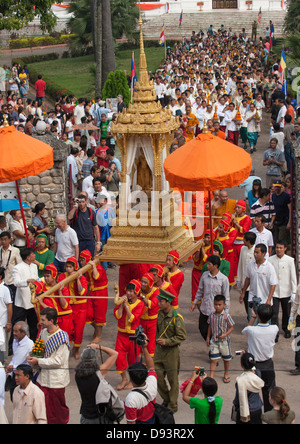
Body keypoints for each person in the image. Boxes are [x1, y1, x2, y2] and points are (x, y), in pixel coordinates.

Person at [27, 307, 70, 424]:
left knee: (56, 411)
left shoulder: (62, 338)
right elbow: (39, 349)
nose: (41, 322)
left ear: (51, 321)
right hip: (42, 378)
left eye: (43, 320)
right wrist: (32, 356)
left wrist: (38, 361)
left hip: (56, 381)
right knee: (41, 408)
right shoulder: (43, 332)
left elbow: (58, 361)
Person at [154, 288, 186, 413]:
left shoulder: (176, 318)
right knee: (157, 377)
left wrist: (167, 342)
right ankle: (166, 399)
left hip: (171, 352)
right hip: (159, 351)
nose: (159, 303)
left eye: (161, 301)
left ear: (168, 302)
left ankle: (172, 405)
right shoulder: (159, 314)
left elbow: (182, 336)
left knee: (173, 379)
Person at [242, 304, 279, 412]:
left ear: (258, 316)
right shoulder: (274, 328)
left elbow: (245, 330)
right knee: (269, 390)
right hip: (268, 364)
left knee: (252, 391)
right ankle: (269, 414)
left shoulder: (252, 330)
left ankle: (253, 413)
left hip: (254, 365)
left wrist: (252, 317)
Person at [75, 343, 118, 424]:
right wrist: (98, 347)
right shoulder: (99, 372)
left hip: (86, 415)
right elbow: (114, 354)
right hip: (100, 416)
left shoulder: (77, 373)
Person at [113, 279, 145, 390]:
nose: (129, 293)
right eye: (128, 291)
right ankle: (124, 379)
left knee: (133, 359)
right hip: (121, 334)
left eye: (132, 291)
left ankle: (132, 381)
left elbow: (132, 319)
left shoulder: (140, 304)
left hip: (133, 336)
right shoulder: (123, 301)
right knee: (119, 357)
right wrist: (122, 304)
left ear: (137, 292)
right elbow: (118, 315)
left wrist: (126, 306)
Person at [191, 255, 230, 342]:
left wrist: (226, 312)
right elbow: (200, 290)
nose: (207, 266)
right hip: (205, 309)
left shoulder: (223, 279)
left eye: (209, 264)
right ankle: (212, 343)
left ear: (215, 266)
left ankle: (214, 348)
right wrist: (195, 303)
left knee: (215, 331)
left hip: (216, 311)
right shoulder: (204, 276)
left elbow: (226, 296)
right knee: (202, 328)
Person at [58, 257, 88, 360]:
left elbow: (81, 292)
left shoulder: (82, 278)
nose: (68, 269)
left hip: (80, 307)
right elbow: (61, 288)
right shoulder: (62, 276)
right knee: (68, 329)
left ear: (75, 267)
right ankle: (66, 349)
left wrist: (77, 279)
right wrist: (69, 278)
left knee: (79, 330)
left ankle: (76, 350)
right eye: (67, 267)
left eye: (71, 267)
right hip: (67, 308)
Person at [34, 264, 73, 339]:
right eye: (44, 276)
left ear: (54, 275)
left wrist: (60, 291)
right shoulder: (43, 288)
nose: (46, 278)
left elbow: (64, 306)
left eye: (48, 276)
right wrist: (39, 320)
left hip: (64, 318)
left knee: (63, 341)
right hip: (49, 320)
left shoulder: (62, 288)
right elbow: (37, 306)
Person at [268, 240, 297, 339]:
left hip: (286, 291)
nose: (278, 250)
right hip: (274, 292)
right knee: (274, 313)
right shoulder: (270, 260)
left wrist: (294, 292)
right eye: (277, 248)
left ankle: (286, 329)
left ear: (285, 248)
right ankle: (275, 332)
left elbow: (293, 277)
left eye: (281, 248)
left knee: (286, 312)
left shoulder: (290, 260)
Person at [79, 250, 108, 344]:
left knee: (99, 315)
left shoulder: (98, 267)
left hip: (101, 293)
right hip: (91, 293)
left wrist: (94, 266)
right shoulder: (87, 269)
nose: (81, 262)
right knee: (88, 314)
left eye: (82, 260)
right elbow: (87, 283)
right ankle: (97, 329)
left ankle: (98, 336)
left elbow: (96, 277)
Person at [125, 340, 157, 424]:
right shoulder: (152, 381)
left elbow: (131, 423)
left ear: (131, 380)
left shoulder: (131, 399)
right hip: (152, 418)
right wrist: (144, 347)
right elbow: (151, 366)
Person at [240, 243, 277, 316]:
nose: (255, 254)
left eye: (257, 252)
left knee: (264, 323)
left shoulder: (269, 267)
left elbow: (273, 285)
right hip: (252, 298)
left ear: (263, 253)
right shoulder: (251, 264)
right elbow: (248, 279)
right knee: (251, 320)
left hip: (264, 300)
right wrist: (243, 292)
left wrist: (269, 299)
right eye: (254, 252)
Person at [11, 248, 39, 345]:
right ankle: (13, 345)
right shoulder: (17, 268)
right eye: (32, 254)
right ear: (28, 257)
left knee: (34, 325)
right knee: (17, 325)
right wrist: (27, 281)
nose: (34, 255)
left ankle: (33, 345)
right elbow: (16, 282)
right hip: (21, 302)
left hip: (33, 300)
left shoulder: (34, 266)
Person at [206, 295, 235, 383]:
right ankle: (211, 377)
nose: (217, 307)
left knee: (226, 359)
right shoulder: (211, 315)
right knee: (213, 359)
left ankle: (226, 374)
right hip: (214, 341)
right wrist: (208, 337)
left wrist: (225, 334)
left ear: (224, 305)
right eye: (216, 304)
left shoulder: (226, 316)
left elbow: (232, 327)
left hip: (224, 342)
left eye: (219, 305)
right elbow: (210, 326)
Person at [232, 353, 264, 424]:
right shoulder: (258, 374)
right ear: (254, 362)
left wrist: (235, 404)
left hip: (245, 410)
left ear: (241, 365)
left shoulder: (240, 381)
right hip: (257, 408)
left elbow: (238, 397)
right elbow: (254, 368)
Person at [6, 321, 34, 400]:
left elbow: (21, 361)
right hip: (15, 373)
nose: (13, 333)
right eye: (13, 331)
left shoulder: (29, 344)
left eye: (16, 331)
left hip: (24, 375)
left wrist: (11, 367)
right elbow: (15, 357)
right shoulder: (15, 341)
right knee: (13, 397)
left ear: (23, 333)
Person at [236, 232, 256, 319]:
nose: (242, 240)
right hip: (245, 282)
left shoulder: (256, 250)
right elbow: (240, 264)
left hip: (254, 284)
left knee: (253, 304)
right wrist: (239, 281)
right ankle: (249, 318)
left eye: (244, 239)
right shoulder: (243, 249)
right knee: (246, 302)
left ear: (248, 241)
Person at [139, 273, 159, 358]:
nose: (143, 284)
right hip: (141, 320)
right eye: (142, 281)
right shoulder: (139, 289)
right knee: (140, 339)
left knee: (150, 341)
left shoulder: (156, 291)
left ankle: (149, 361)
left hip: (152, 321)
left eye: (145, 282)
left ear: (150, 283)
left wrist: (142, 296)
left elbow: (151, 305)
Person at [0, 231, 22, 297]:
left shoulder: (15, 250)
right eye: (2, 239)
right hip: (2, 280)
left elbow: (19, 264)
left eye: (5, 239)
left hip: (12, 280)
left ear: (10, 239)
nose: (3, 241)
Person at [271, 179, 291, 245]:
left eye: (278, 186)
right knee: (275, 240)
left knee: (281, 240)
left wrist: (289, 222)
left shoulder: (286, 196)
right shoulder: (273, 196)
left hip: (284, 222)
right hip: (276, 221)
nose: (276, 188)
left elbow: (290, 209)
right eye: (275, 186)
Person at [0, 266, 12, 364]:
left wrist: (8, 322)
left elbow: (9, 306)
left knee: (2, 346)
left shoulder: (5, 289)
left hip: (2, 323)